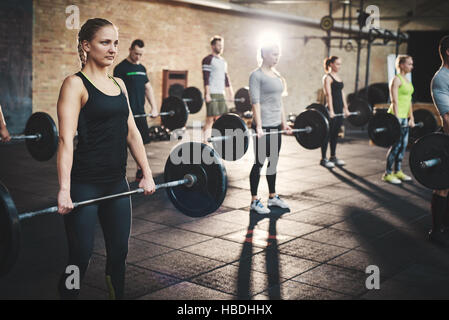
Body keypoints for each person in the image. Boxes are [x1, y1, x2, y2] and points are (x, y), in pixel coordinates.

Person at [56, 18, 156, 299]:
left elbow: (132, 132)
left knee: (119, 253)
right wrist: (64, 190)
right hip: (84, 184)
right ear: (86, 46)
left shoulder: (119, 84)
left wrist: (146, 172)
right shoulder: (75, 84)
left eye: (115, 43)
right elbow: (65, 140)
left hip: (116, 184)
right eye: (105, 42)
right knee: (80, 255)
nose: (112, 49)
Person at [248, 42, 292, 215]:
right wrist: (258, 126)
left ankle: (272, 197)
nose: (277, 57)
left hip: (275, 126)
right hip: (262, 127)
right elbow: (255, 102)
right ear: (264, 54)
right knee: (259, 163)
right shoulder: (256, 75)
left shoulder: (276, 75)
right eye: (274, 54)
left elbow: (280, 102)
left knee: (273, 162)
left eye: (278, 54)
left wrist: (284, 123)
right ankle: (254, 200)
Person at [114, 39, 158, 182]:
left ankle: (140, 171)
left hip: (140, 112)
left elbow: (148, 88)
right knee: (122, 145)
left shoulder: (142, 69)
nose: (138, 57)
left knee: (142, 142)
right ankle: (118, 175)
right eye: (136, 53)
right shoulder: (121, 68)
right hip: (125, 114)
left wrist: (154, 107)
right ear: (130, 50)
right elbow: (116, 91)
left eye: (141, 54)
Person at [428, 35, 449, 246]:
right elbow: (447, 116)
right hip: (448, 138)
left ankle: (445, 224)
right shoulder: (441, 78)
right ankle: (436, 230)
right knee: (442, 185)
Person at [382, 55, 415, 184]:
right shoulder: (396, 80)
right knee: (395, 146)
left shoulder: (407, 80)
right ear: (401, 65)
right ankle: (388, 173)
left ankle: (398, 171)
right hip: (396, 116)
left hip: (404, 117)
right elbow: (394, 101)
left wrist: (411, 117)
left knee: (403, 145)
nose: (412, 66)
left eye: (412, 64)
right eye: (409, 64)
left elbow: (409, 101)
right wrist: (396, 120)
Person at [201, 36, 234, 141]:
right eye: (219, 45)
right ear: (213, 46)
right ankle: (204, 141)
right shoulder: (207, 60)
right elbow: (205, 78)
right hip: (212, 93)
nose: (221, 47)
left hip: (221, 93)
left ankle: (219, 140)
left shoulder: (223, 61)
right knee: (210, 119)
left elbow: (226, 78)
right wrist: (207, 94)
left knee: (222, 118)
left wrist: (230, 93)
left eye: (222, 45)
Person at [320, 56, 350, 169]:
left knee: (335, 134)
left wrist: (346, 108)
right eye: (337, 64)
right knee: (327, 134)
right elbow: (328, 95)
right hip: (331, 109)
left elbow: (342, 93)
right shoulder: (327, 77)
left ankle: (333, 156)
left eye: (340, 64)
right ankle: (323, 158)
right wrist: (331, 111)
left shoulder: (338, 76)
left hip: (339, 109)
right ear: (331, 64)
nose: (339, 66)